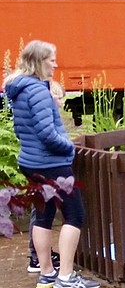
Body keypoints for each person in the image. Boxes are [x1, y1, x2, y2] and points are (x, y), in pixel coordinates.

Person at [3, 41, 101, 288]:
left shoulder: (20, 88)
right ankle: (66, 277)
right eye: (51, 60)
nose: (56, 64)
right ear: (38, 61)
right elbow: (47, 133)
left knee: (44, 215)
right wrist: (68, 147)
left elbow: (23, 129)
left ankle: (46, 273)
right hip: (51, 164)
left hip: (30, 162)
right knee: (75, 215)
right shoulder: (37, 91)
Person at [25, 79, 66, 276]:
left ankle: (39, 256)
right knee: (42, 212)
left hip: (34, 163)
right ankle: (37, 257)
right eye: (58, 98)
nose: (61, 103)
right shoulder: (44, 115)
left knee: (40, 210)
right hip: (44, 165)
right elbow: (48, 138)